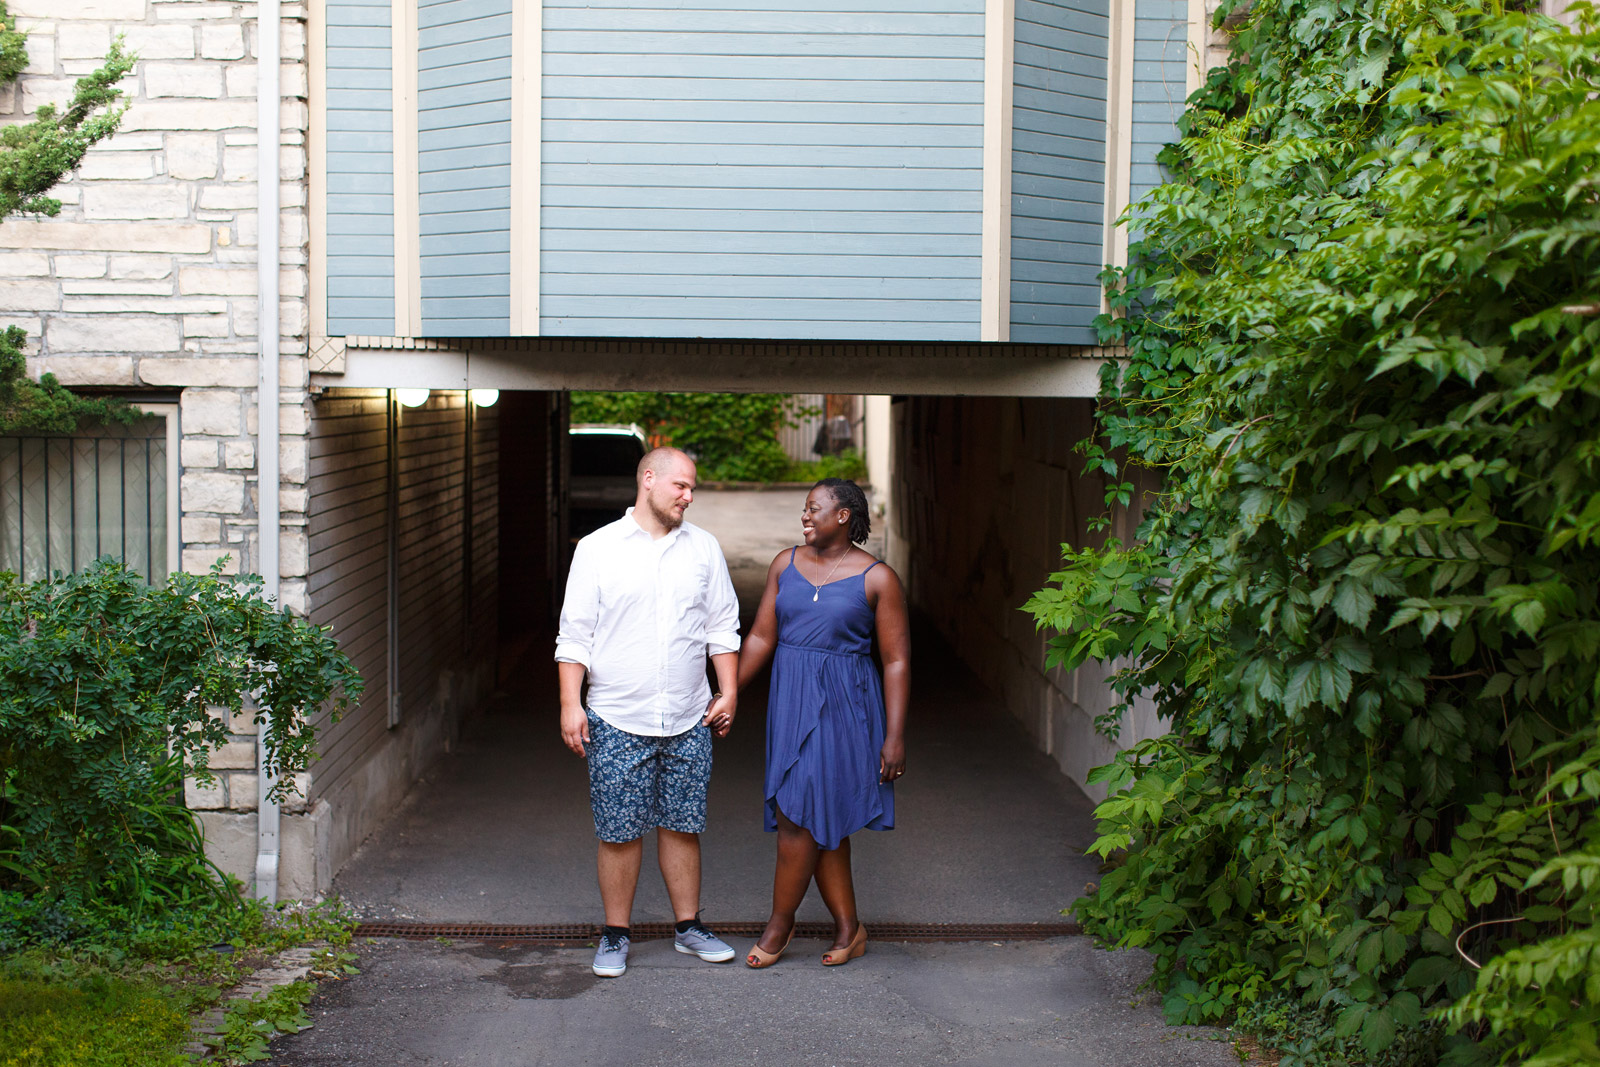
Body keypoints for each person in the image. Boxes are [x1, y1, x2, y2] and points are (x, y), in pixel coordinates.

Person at [556, 446, 742, 978]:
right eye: (681, 486)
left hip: (688, 715)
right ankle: (615, 935)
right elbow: (575, 636)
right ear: (649, 480)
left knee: (683, 825)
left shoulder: (703, 549)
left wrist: (726, 690)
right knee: (618, 831)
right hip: (616, 715)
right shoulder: (597, 549)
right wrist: (571, 705)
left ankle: (689, 928)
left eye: (692, 488)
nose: (689, 495)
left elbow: (721, 626)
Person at [732, 477, 910, 967]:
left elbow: (895, 660)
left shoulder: (877, 578)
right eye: (805, 509)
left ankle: (778, 925)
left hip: (845, 706)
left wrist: (894, 736)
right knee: (820, 817)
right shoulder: (784, 564)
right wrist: (729, 693)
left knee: (799, 814)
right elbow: (762, 638)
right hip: (790, 700)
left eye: (814, 508)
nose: (805, 516)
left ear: (844, 515)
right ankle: (850, 928)